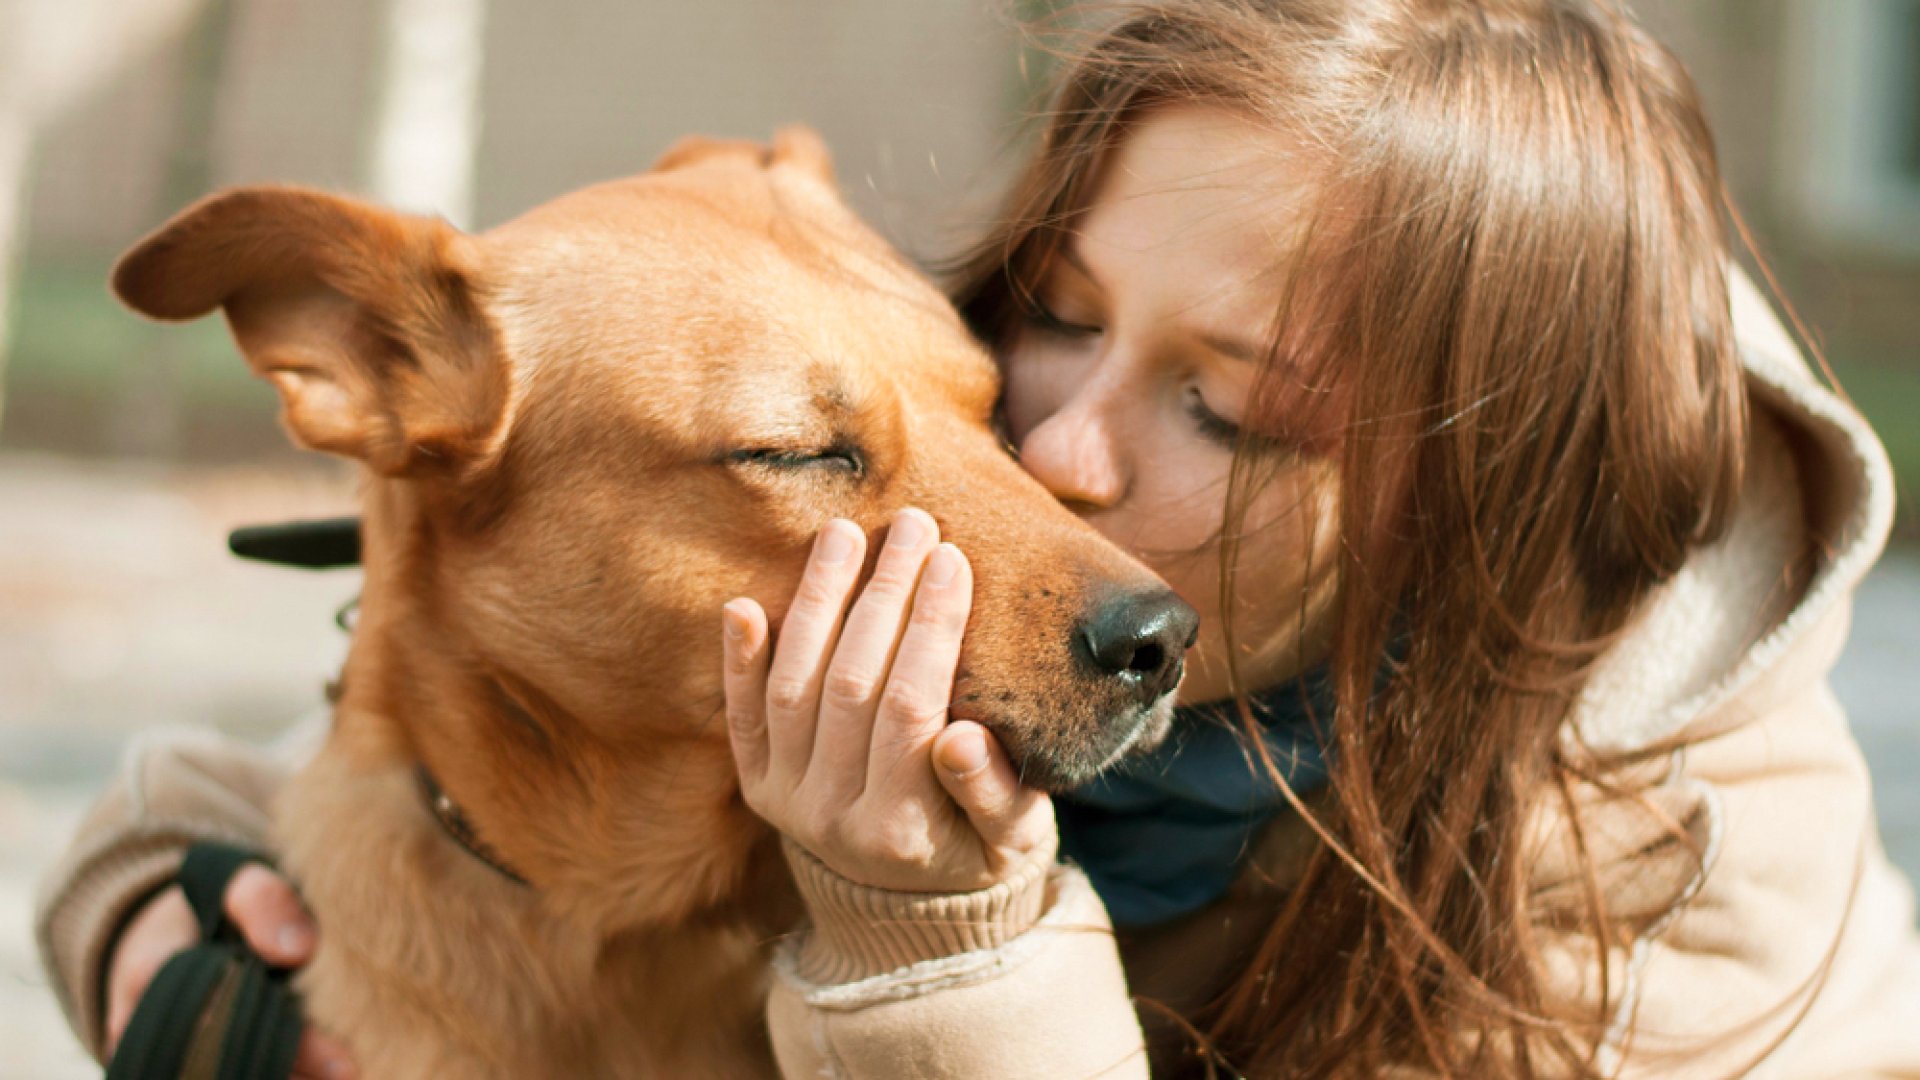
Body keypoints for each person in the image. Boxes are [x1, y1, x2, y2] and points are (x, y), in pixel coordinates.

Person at [36, 1, 1920, 1076]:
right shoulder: (866, 636)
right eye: (1049, 313)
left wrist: (932, 930)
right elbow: (396, 754)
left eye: (1236, 410)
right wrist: (142, 914)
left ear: (1485, 500)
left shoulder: (1703, 904)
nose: (1052, 465)